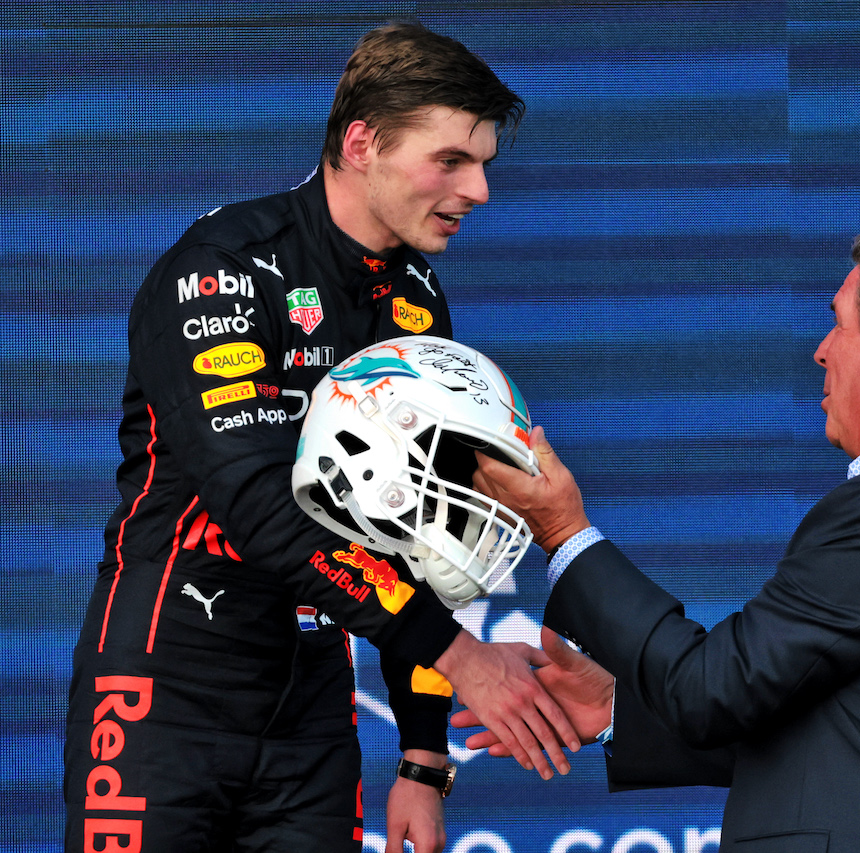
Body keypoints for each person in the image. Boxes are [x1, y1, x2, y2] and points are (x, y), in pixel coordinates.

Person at [64, 22, 578, 853]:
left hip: (311, 699)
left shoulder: (413, 295)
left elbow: (419, 534)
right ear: (362, 142)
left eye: (483, 162)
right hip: (167, 681)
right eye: (451, 160)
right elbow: (255, 501)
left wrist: (421, 756)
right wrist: (462, 657)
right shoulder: (221, 267)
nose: (479, 189)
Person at [458, 217, 860, 852]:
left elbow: (710, 689)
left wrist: (564, 532)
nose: (821, 350)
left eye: (839, 322)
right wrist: (617, 711)